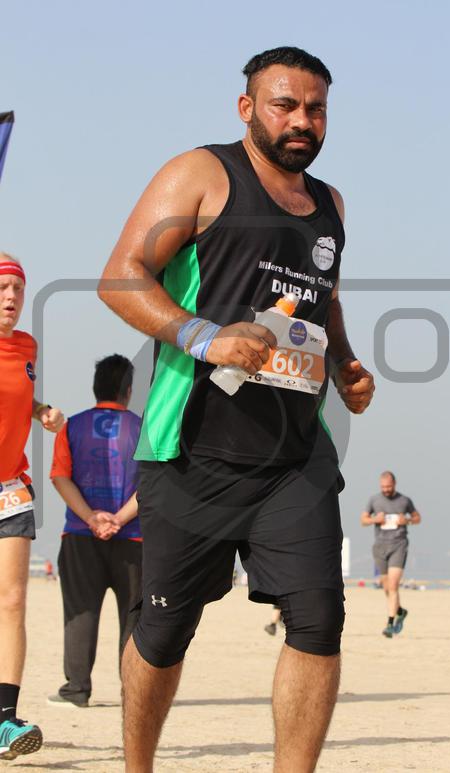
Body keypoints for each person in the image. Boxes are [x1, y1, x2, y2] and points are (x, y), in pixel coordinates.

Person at [98, 46, 375, 772]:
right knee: (164, 632)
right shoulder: (201, 173)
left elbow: (322, 301)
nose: (302, 120)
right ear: (247, 108)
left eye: (316, 108)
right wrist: (204, 336)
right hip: (193, 447)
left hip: (295, 457)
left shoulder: (331, 205)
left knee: (318, 619)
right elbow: (120, 276)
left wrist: (344, 364)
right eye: (285, 104)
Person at [47, 355, 142, 707]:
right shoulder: (144, 428)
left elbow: (60, 477)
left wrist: (91, 517)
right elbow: (152, 485)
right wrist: (119, 518)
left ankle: (76, 690)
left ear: (95, 387)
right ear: (128, 390)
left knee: (81, 612)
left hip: (80, 535)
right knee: (135, 617)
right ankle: (134, 692)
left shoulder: (71, 427)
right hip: (134, 538)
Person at [0, 253, 64, 760]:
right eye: (2, 288)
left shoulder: (26, 346)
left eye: (18, 289)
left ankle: (5, 719)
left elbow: (19, 398)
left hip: (10, 487)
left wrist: (43, 410)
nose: (11, 297)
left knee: (14, 601)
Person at [361, 471, 421, 638]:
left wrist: (407, 520)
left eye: (388, 486)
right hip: (380, 546)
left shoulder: (404, 500)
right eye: (383, 487)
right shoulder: (374, 500)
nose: (386, 489)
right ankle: (400, 611)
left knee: (393, 586)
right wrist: (375, 520)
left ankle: (390, 624)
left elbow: (417, 518)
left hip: (399, 545)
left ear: (394, 484)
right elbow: (363, 520)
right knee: (387, 587)